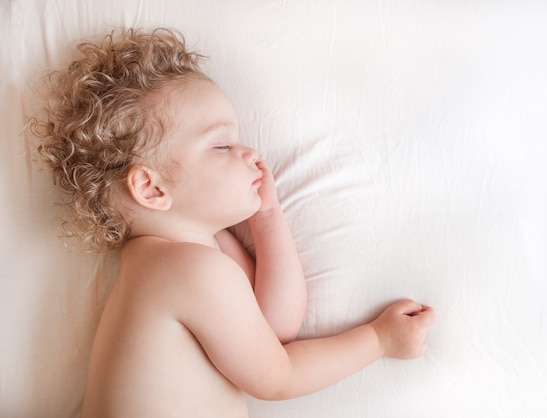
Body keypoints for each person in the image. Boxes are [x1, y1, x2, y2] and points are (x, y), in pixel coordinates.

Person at [31, 28, 436, 418]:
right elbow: (277, 376)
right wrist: (378, 340)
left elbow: (275, 327)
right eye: (222, 145)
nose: (249, 152)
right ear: (151, 189)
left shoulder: (189, 253)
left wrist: (267, 216)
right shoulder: (187, 268)